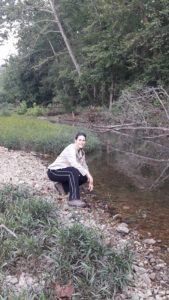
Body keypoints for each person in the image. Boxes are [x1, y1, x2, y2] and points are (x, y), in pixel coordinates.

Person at [47, 132, 93, 208]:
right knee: (73, 171)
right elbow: (74, 164)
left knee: (84, 177)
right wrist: (88, 174)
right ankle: (73, 199)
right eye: (79, 140)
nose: (81, 142)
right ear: (75, 140)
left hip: (65, 172)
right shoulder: (71, 148)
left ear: (85, 142)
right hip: (54, 172)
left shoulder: (82, 152)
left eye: (83, 140)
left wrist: (90, 177)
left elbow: (84, 166)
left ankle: (62, 187)